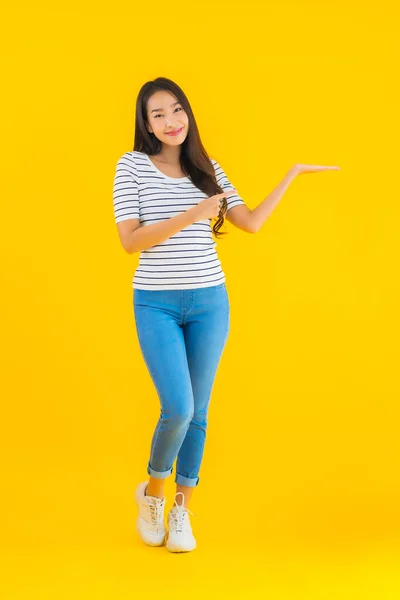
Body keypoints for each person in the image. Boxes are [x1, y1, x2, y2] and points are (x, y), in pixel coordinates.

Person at [112, 77, 340, 553]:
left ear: (188, 114)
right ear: (146, 123)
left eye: (177, 110)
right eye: (158, 114)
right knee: (179, 407)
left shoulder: (207, 168)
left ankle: (181, 511)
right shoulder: (132, 166)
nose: (171, 121)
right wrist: (193, 215)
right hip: (156, 301)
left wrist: (292, 174)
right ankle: (152, 494)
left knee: (200, 413)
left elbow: (250, 222)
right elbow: (131, 241)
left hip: (210, 302)